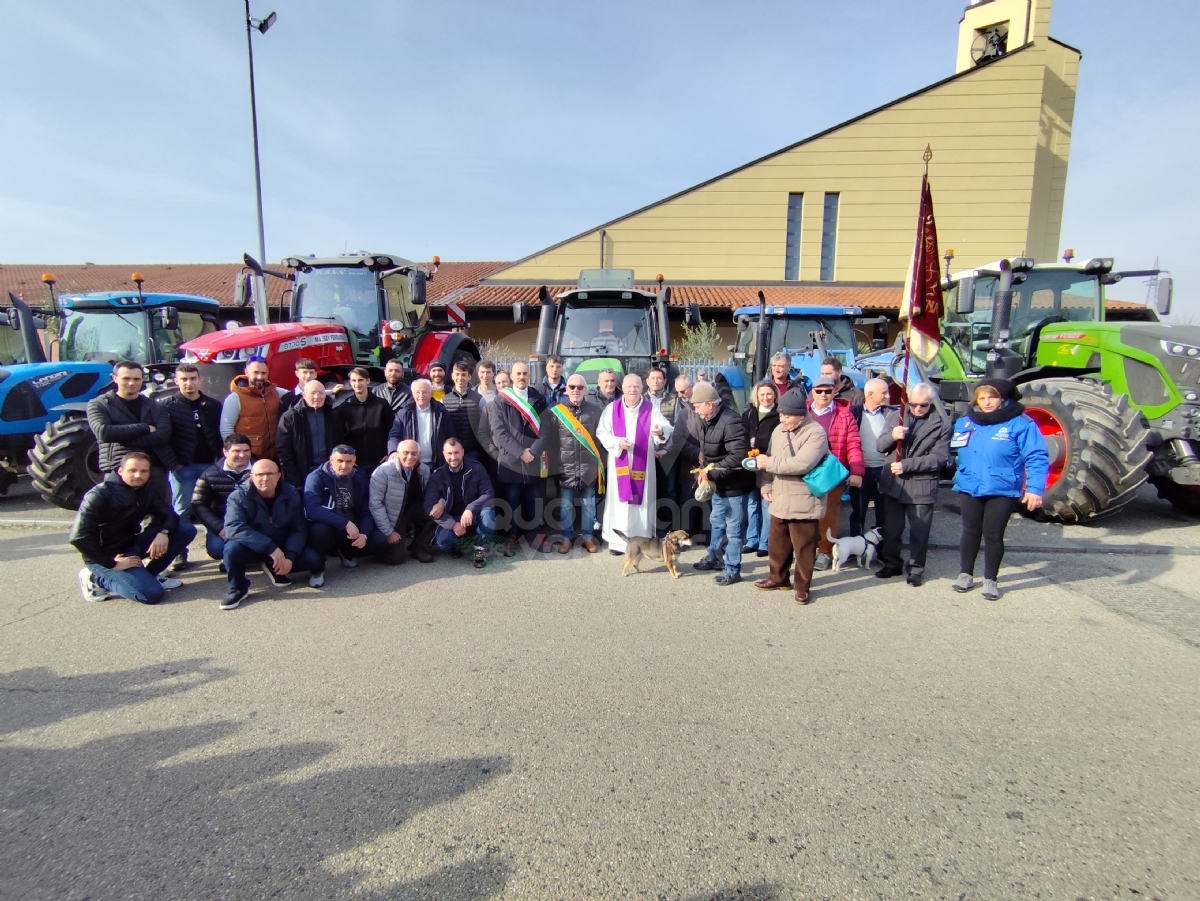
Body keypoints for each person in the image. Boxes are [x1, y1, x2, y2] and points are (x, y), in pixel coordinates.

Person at [951, 379, 1049, 600]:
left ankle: (990, 580)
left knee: (993, 535)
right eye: (982, 398)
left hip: (1002, 488)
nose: (986, 402)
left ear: (1002, 399)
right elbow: (955, 450)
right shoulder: (966, 422)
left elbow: (1036, 457)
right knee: (969, 531)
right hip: (970, 485)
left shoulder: (1021, 424)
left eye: (991, 397)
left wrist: (1034, 489)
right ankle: (965, 574)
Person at [70, 452, 195, 604]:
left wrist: (163, 532)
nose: (138, 475)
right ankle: (96, 579)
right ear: (120, 471)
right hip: (106, 556)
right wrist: (112, 564)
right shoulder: (99, 494)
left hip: (130, 545)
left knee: (185, 529)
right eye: (132, 470)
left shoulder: (144, 491)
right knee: (151, 594)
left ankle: (150, 575)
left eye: (144, 471)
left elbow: (169, 515)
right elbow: (78, 537)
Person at [751, 390, 830, 605]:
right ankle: (778, 578)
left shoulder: (816, 433)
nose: (782, 419)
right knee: (778, 542)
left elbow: (802, 464)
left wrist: (768, 464)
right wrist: (766, 483)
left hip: (804, 497)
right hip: (779, 495)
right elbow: (769, 457)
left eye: (786, 415)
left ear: (800, 414)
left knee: (804, 546)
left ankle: (802, 587)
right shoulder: (778, 430)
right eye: (781, 414)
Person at [221, 458, 326, 609]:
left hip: (281, 545)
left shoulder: (291, 494)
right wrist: (269, 547)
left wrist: (290, 556)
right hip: (254, 546)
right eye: (260, 474)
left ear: (279, 475)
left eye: (270, 474)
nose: (265, 478)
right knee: (232, 549)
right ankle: (238, 588)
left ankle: (273, 566)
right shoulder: (238, 496)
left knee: (313, 560)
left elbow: (299, 528)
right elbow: (233, 527)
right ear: (251, 476)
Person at [875, 382, 952, 587]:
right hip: (894, 483)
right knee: (892, 529)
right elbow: (880, 445)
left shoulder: (942, 423)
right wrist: (892, 436)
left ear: (931, 403)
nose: (918, 409)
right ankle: (891, 563)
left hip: (921, 484)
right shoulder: (896, 415)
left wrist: (907, 465)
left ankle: (916, 568)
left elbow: (939, 458)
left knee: (919, 530)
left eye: (924, 405)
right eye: (914, 404)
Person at [597, 373, 672, 554]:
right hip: (619, 462)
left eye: (636, 386)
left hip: (643, 464)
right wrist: (617, 443)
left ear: (642, 388)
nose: (633, 390)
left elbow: (665, 427)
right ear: (622, 388)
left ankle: (641, 543)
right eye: (629, 386)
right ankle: (618, 543)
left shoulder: (650, 408)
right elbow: (602, 432)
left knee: (642, 502)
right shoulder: (612, 409)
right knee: (620, 503)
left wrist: (660, 430)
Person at [689, 381, 752, 586]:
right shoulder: (709, 419)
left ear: (709, 403)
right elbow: (709, 453)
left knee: (733, 529)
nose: (695, 410)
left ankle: (733, 569)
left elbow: (737, 456)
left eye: (697, 406)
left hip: (734, 485)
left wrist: (710, 472)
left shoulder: (731, 421)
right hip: (718, 483)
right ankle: (714, 556)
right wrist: (704, 471)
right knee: (716, 522)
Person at [487, 361, 550, 553]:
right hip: (511, 461)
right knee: (511, 501)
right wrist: (520, 452)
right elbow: (499, 433)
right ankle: (510, 537)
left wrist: (532, 452)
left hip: (533, 458)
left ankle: (534, 535)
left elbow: (546, 430)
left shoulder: (539, 399)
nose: (521, 377)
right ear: (511, 377)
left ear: (528, 376)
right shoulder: (500, 400)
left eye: (525, 373)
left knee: (534, 500)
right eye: (518, 374)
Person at [160, 363, 224, 551]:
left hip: (210, 466)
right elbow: (162, 439)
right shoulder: (167, 406)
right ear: (176, 381)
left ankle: (216, 547)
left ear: (199, 380)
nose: (189, 383)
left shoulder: (212, 405)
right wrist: (174, 464)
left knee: (211, 509)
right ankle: (179, 552)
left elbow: (219, 434)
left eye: (193, 379)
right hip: (183, 468)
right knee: (182, 511)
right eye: (184, 379)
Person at [86, 360, 176, 487]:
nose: (132, 383)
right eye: (126, 378)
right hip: (117, 468)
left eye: (136, 379)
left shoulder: (155, 406)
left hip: (154, 469)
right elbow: (104, 432)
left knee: (157, 507)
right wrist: (144, 427)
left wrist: (121, 438)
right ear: (114, 378)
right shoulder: (99, 404)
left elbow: (163, 435)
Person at [807, 375, 864, 571]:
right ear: (812, 391)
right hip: (805, 471)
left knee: (828, 514)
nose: (823, 394)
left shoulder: (845, 415)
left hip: (832, 472)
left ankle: (824, 551)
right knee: (805, 514)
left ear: (834, 391)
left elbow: (854, 444)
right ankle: (806, 550)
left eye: (828, 391)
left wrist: (856, 471)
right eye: (819, 391)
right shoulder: (803, 412)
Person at [304, 444, 388, 569]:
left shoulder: (359, 478)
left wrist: (364, 534)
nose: (344, 465)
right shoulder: (316, 477)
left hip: (352, 526)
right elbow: (312, 509)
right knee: (319, 531)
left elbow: (367, 511)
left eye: (349, 461)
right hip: (330, 526)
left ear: (354, 461)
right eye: (340, 461)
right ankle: (319, 569)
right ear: (331, 459)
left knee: (380, 540)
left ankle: (347, 553)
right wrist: (345, 523)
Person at [548, 373, 604, 553]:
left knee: (588, 503)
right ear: (566, 389)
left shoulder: (595, 411)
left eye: (580, 387)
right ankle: (566, 538)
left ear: (586, 390)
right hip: (566, 467)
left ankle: (587, 537)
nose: (576, 390)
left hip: (589, 467)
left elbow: (600, 440)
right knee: (565, 504)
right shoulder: (557, 411)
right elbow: (551, 441)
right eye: (572, 387)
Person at [425, 437, 496, 567]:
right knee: (443, 543)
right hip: (453, 517)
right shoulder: (437, 476)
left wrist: (470, 509)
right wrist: (452, 524)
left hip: (474, 515)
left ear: (463, 452)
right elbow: (429, 506)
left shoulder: (477, 468)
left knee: (489, 516)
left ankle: (480, 550)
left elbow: (488, 493)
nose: (453, 457)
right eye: (449, 453)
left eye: (456, 452)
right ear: (443, 454)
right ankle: (459, 543)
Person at [369, 439, 436, 564]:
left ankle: (419, 547)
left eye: (414, 453)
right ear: (397, 453)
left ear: (419, 455)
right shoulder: (382, 472)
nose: (410, 457)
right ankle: (372, 550)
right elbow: (375, 504)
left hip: (414, 509)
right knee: (396, 559)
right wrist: (389, 532)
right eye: (405, 453)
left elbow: (432, 494)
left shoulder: (424, 470)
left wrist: (440, 504)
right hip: (394, 515)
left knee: (436, 513)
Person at [191, 433, 253, 563]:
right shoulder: (209, 474)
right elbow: (198, 504)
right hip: (223, 523)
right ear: (225, 452)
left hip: (253, 522)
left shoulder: (261, 469)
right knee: (217, 549)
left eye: (246, 450)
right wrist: (218, 527)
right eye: (237, 451)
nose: (242, 455)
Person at [277, 380, 344, 489]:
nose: (317, 397)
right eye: (313, 393)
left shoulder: (333, 415)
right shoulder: (290, 417)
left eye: (321, 393)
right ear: (303, 395)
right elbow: (284, 451)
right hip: (303, 473)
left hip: (329, 471)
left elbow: (340, 442)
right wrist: (294, 479)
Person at [219, 356, 288, 460]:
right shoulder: (235, 397)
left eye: (263, 373)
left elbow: (300, 395)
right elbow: (226, 429)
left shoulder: (277, 393)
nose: (259, 376)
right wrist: (237, 453)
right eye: (255, 372)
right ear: (246, 372)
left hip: (273, 456)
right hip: (247, 457)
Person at [742, 380, 780, 558]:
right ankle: (752, 539)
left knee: (767, 504)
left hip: (769, 464)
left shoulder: (779, 414)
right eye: (762, 394)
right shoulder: (749, 413)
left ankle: (765, 542)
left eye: (769, 394)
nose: (765, 397)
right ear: (756, 395)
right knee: (752, 504)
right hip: (750, 465)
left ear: (775, 395)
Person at [849, 378, 892, 537]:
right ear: (870, 394)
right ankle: (856, 546)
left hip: (884, 469)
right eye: (884, 392)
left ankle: (881, 550)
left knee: (884, 513)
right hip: (862, 469)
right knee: (858, 512)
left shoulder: (891, 414)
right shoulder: (853, 413)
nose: (888, 395)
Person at [335, 366, 395, 473]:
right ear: (350, 382)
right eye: (354, 380)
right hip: (355, 464)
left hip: (380, 462)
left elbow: (392, 430)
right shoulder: (343, 408)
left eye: (360, 380)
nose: (357, 384)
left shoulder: (382, 405)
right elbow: (339, 436)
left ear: (368, 381)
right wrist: (347, 457)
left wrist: (388, 453)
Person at [386, 378, 457, 468]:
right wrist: (393, 451)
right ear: (413, 394)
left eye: (425, 392)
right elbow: (394, 436)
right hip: (411, 464)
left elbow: (451, 437)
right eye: (417, 392)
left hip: (437, 464)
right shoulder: (403, 413)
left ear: (431, 394)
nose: (421, 395)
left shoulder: (442, 413)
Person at [442, 359, 485, 464]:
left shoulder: (479, 399)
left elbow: (484, 426)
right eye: (457, 374)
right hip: (452, 451)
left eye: (463, 374)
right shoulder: (445, 400)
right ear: (452, 376)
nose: (460, 378)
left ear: (469, 377)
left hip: (472, 451)